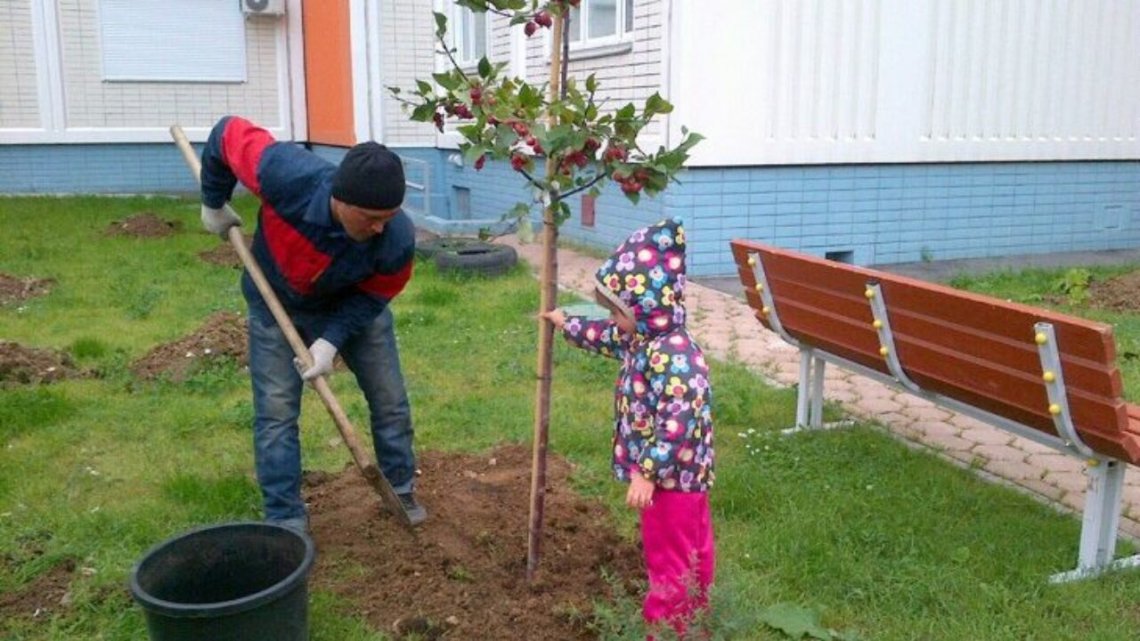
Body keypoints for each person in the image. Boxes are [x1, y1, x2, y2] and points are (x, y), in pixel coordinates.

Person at [198, 115, 425, 532]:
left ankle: (400, 488)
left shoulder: (395, 237)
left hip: (352, 307)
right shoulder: (286, 175)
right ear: (341, 200)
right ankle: (285, 517)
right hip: (276, 304)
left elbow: (377, 294)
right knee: (276, 414)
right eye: (372, 217)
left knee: (390, 401)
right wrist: (213, 202)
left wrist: (330, 341)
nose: (380, 227)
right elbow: (227, 133)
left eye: (389, 216)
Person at [542, 218, 715, 638]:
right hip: (684, 479)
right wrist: (568, 323)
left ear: (645, 306)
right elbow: (608, 337)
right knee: (694, 554)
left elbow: (678, 423)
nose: (613, 319)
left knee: (670, 563)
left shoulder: (674, 357)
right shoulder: (646, 339)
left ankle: (667, 630)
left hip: (670, 482)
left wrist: (647, 471)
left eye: (617, 311)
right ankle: (696, 625)